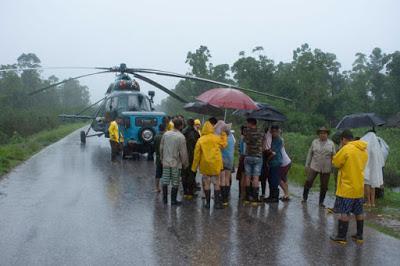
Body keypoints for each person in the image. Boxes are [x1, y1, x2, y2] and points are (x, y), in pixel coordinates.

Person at [330, 130, 368, 245]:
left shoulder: (346, 149)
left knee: (344, 213)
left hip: (347, 188)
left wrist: (340, 150)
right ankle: (359, 236)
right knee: (359, 212)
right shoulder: (363, 150)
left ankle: (341, 237)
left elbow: (336, 163)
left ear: (343, 139)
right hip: (359, 188)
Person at [192, 121, 227, 209]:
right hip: (215, 165)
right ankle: (217, 204)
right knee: (216, 184)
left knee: (206, 184)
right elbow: (224, 145)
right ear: (212, 129)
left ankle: (207, 204)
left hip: (205, 166)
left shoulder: (200, 140)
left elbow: (196, 155)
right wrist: (223, 133)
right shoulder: (216, 138)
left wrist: (194, 167)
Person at [303, 126, 336, 207]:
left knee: (324, 186)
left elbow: (334, 156)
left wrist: (333, 167)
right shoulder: (314, 142)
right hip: (314, 165)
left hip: (326, 167)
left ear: (327, 134)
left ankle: (321, 202)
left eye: (324, 133)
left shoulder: (331, 143)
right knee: (309, 181)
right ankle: (304, 197)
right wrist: (307, 164)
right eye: (321, 133)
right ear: (318, 134)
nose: (322, 135)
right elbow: (310, 153)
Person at [160, 118, 188, 206]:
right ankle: (173, 201)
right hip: (176, 163)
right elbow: (183, 152)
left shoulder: (166, 134)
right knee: (175, 182)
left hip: (166, 162)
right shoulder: (181, 137)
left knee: (165, 181)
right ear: (181, 126)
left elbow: (161, 147)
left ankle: (164, 200)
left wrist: (161, 158)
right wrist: (185, 163)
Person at [361, 130, 385, 207]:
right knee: (373, 184)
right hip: (374, 168)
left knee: (367, 183)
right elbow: (380, 158)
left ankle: (368, 202)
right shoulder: (376, 144)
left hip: (367, 166)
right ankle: (373, 202)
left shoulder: (365, 142)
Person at [243, 118, 264, 205]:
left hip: (248, 156)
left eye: (248, 123)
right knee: (256, 177)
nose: (247, 125)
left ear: (251, 123)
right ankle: (255, 199)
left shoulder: (247, 132)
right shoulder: (260, 132)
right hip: (257, 157)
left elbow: (245, 141)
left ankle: (247, 198)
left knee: (247, 176)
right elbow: (263, 142)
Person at [181, 118, 200, 199]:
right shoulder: (196, 133)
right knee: (192, 174)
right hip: (193, 156)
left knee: (184, 174)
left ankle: (185, 192)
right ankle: (190, 193)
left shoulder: (182, 132)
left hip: (184, 156)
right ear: (193, 124)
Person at [265, 125, 283, 203]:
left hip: (276, 162)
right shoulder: (271, 139)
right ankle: (271, 196)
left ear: (278, 131)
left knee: (274, 179)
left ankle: (275, 197)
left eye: (275, 131)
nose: (274, 133)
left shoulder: (279, 140)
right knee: (270, 179)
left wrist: (267, 160)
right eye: (272, 131)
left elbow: (273, 152)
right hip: (271, 162)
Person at [220, 124, 235, 206]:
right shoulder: (232, 138)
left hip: (222, 160)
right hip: (230, 160)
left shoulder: (222, 138)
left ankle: (222, 198)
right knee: (227, 178)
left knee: (222, 178)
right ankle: (226, 198)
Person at [154, 123, 166, 192]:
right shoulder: (166, 136)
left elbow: (154, 146)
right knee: (165, 173)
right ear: (164, 129)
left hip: (158, 157)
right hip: (165, 157)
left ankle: (157, 188)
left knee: (158, 173)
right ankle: (165, 187)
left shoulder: (156, 136)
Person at [237, 126, 247, 199]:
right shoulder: (243, 139)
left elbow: (240, 150)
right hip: (243, 158)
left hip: (243, 158)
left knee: (242, 177)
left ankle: (242, 193)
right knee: (243, 177)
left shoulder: (242, 138)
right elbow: (240, 150)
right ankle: (243, 193)